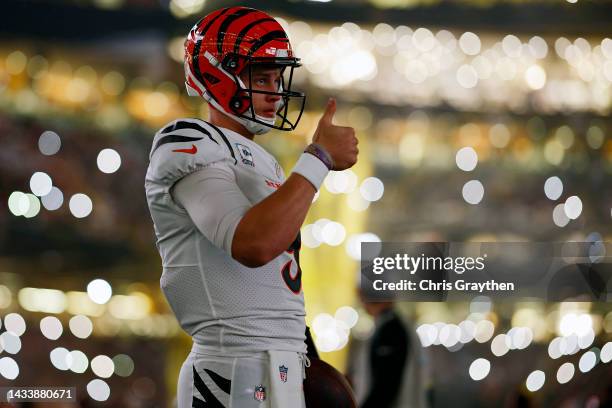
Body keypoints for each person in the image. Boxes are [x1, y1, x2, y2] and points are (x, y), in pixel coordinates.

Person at [144, 6, 358, 408]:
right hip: (230, 374)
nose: (275, 92)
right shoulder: (186, 139)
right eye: (261, 78)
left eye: (277, 78)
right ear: (215, 73)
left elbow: (275, 286)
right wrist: (319, 159)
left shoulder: (263, 162)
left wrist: (305, 353)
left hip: (279, 367)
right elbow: (252, 244)